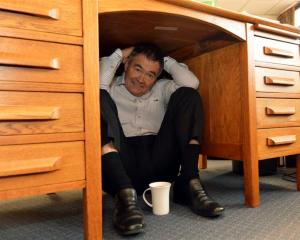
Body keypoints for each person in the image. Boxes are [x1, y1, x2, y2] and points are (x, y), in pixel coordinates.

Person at [100, 43, 224, 235]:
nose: (141, 79)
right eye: (137, 68)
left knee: (189, 95)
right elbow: (98, 80)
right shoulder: (110, 85)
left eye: (150, 74)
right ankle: (124, 196)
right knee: (97, 97)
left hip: (159, 160)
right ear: (126, 65)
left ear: (157, 77)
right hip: (123, 162)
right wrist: (121, 53)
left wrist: (164, 59)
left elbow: (192, 83)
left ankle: (189, 183)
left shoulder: (162, 87)